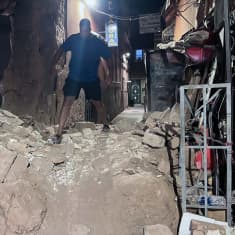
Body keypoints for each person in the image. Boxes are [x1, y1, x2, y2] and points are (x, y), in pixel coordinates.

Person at [49, 18, 111, 144]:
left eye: (86, 30)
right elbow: (61, 49)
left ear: (89, 29)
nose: (84, 33)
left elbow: (104, 58)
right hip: (74, 77)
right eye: (82, 30)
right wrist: (52, 65)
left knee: (97, 103)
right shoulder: (73, 39)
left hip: (92, 78)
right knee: (67, 102)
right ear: (80, 28)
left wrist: (107, 74)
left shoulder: (97, 42)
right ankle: (59, 133)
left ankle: (104, 124)